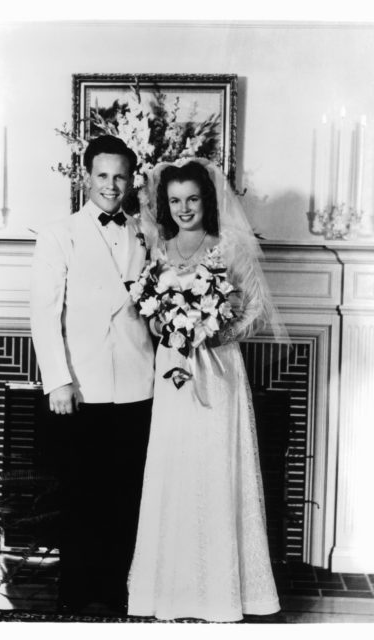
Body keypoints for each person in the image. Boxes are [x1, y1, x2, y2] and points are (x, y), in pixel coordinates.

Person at [127, 160, 286, 622]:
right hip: (173, 370)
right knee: (174, 468)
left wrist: (214, 331)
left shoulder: (229, 247)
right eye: (175, 201)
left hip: (216, 369)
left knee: (216, 466)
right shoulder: (158, 249)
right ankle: (170, 591)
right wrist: (165, 323)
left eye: (192, 199)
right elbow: (148, 307)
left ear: (207, 201)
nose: (184, 209)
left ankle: (220, 592)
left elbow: (254, 311)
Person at [30, 135, 155, 614]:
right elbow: (44, 314)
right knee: (82, 498)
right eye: (102, 175)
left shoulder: (145, 233)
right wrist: (58, 380)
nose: (111, 185)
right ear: (86, 177)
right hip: (81, 388)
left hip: (137, 383)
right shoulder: (58, 234)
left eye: (120, 176)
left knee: (126, 497)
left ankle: (117, 594)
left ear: (131, 179)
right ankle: (77, 600)